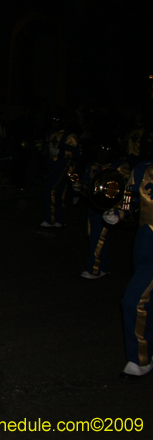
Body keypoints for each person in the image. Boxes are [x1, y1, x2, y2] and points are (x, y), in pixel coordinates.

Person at [116, 158, 153, 376]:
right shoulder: (142, 171)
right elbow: (128, 200)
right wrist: (117, 213)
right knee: (147, 300)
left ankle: (139, 358)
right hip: (145, 241)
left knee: (134, 299)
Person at [77, 138, 129, 279]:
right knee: (92, 235)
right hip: (93, 207)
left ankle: (95, 269)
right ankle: (104, 266)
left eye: (105, 151)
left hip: (109, 208)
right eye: (99, 150)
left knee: (98, 237)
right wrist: (80, 187)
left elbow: (126, 188)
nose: (101, 154)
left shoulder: (120, 167)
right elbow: (87, 183)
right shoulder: (93, 165)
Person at [40, 109, 80, 227]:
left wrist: (60, 152)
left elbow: (77, 153)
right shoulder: (51, 133)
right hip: (52, 166)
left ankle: (50, 219)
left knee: (51, 190)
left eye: (57, 121)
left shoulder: (70, 135)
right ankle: (59, 219)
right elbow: (47, 149)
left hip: (64, 166)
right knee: (58, 193)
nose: (54, 124)